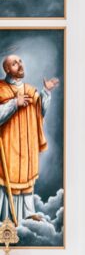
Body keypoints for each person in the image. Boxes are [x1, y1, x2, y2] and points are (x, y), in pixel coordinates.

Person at [0, 53, 59, 224]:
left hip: (27, 145)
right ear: (6, 69)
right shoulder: (1, 89)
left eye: (20, 61)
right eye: (14, 63)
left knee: (26, 178)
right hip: (8, 143)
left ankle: (27, 214)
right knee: (7, 180)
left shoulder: (30, 91)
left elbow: (40, 112)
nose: (19, 65)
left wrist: (46, 92)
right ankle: (6, 217)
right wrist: (13, 104)